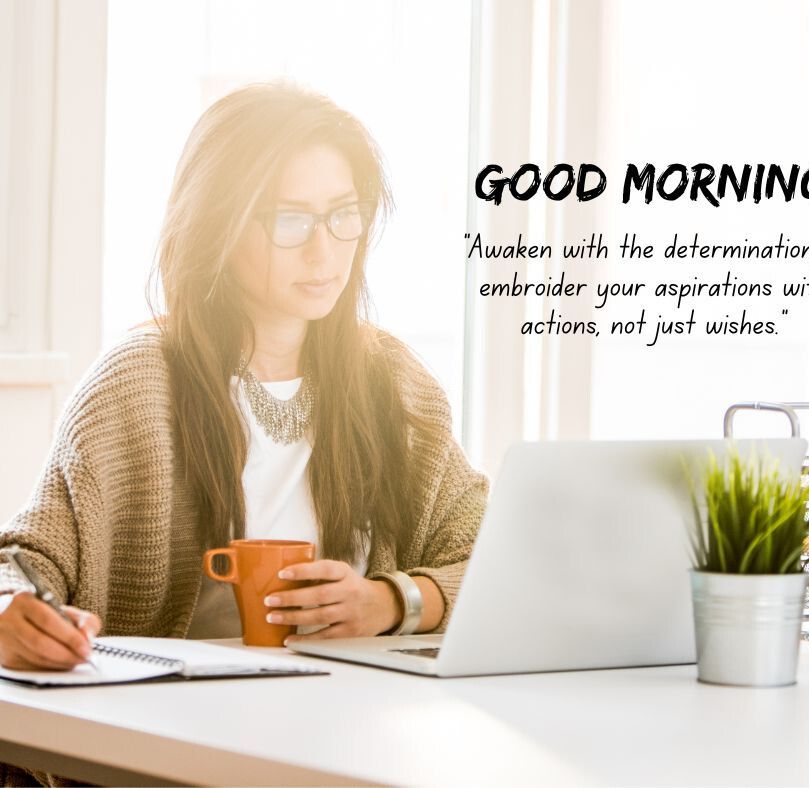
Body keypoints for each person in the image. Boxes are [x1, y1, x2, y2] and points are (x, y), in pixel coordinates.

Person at [0, 82, 488, 677]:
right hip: (170, 719)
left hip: (355, 712)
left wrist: (392, 601)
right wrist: (11, 611)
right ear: (218, 226)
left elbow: (494, 557)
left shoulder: (394, 380)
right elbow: (24, 562)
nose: (324, 251)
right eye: (290, 220)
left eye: (343, 215)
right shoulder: (136, 383)